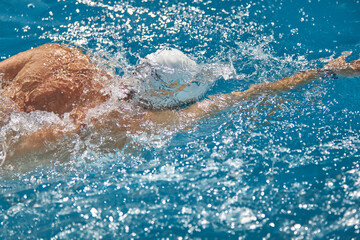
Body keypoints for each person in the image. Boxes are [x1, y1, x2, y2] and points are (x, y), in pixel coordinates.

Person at [0, 43, 359, 164]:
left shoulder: (59, 56)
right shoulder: (134, 123)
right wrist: (324, 72)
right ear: (173, 100)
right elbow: (245, 96)